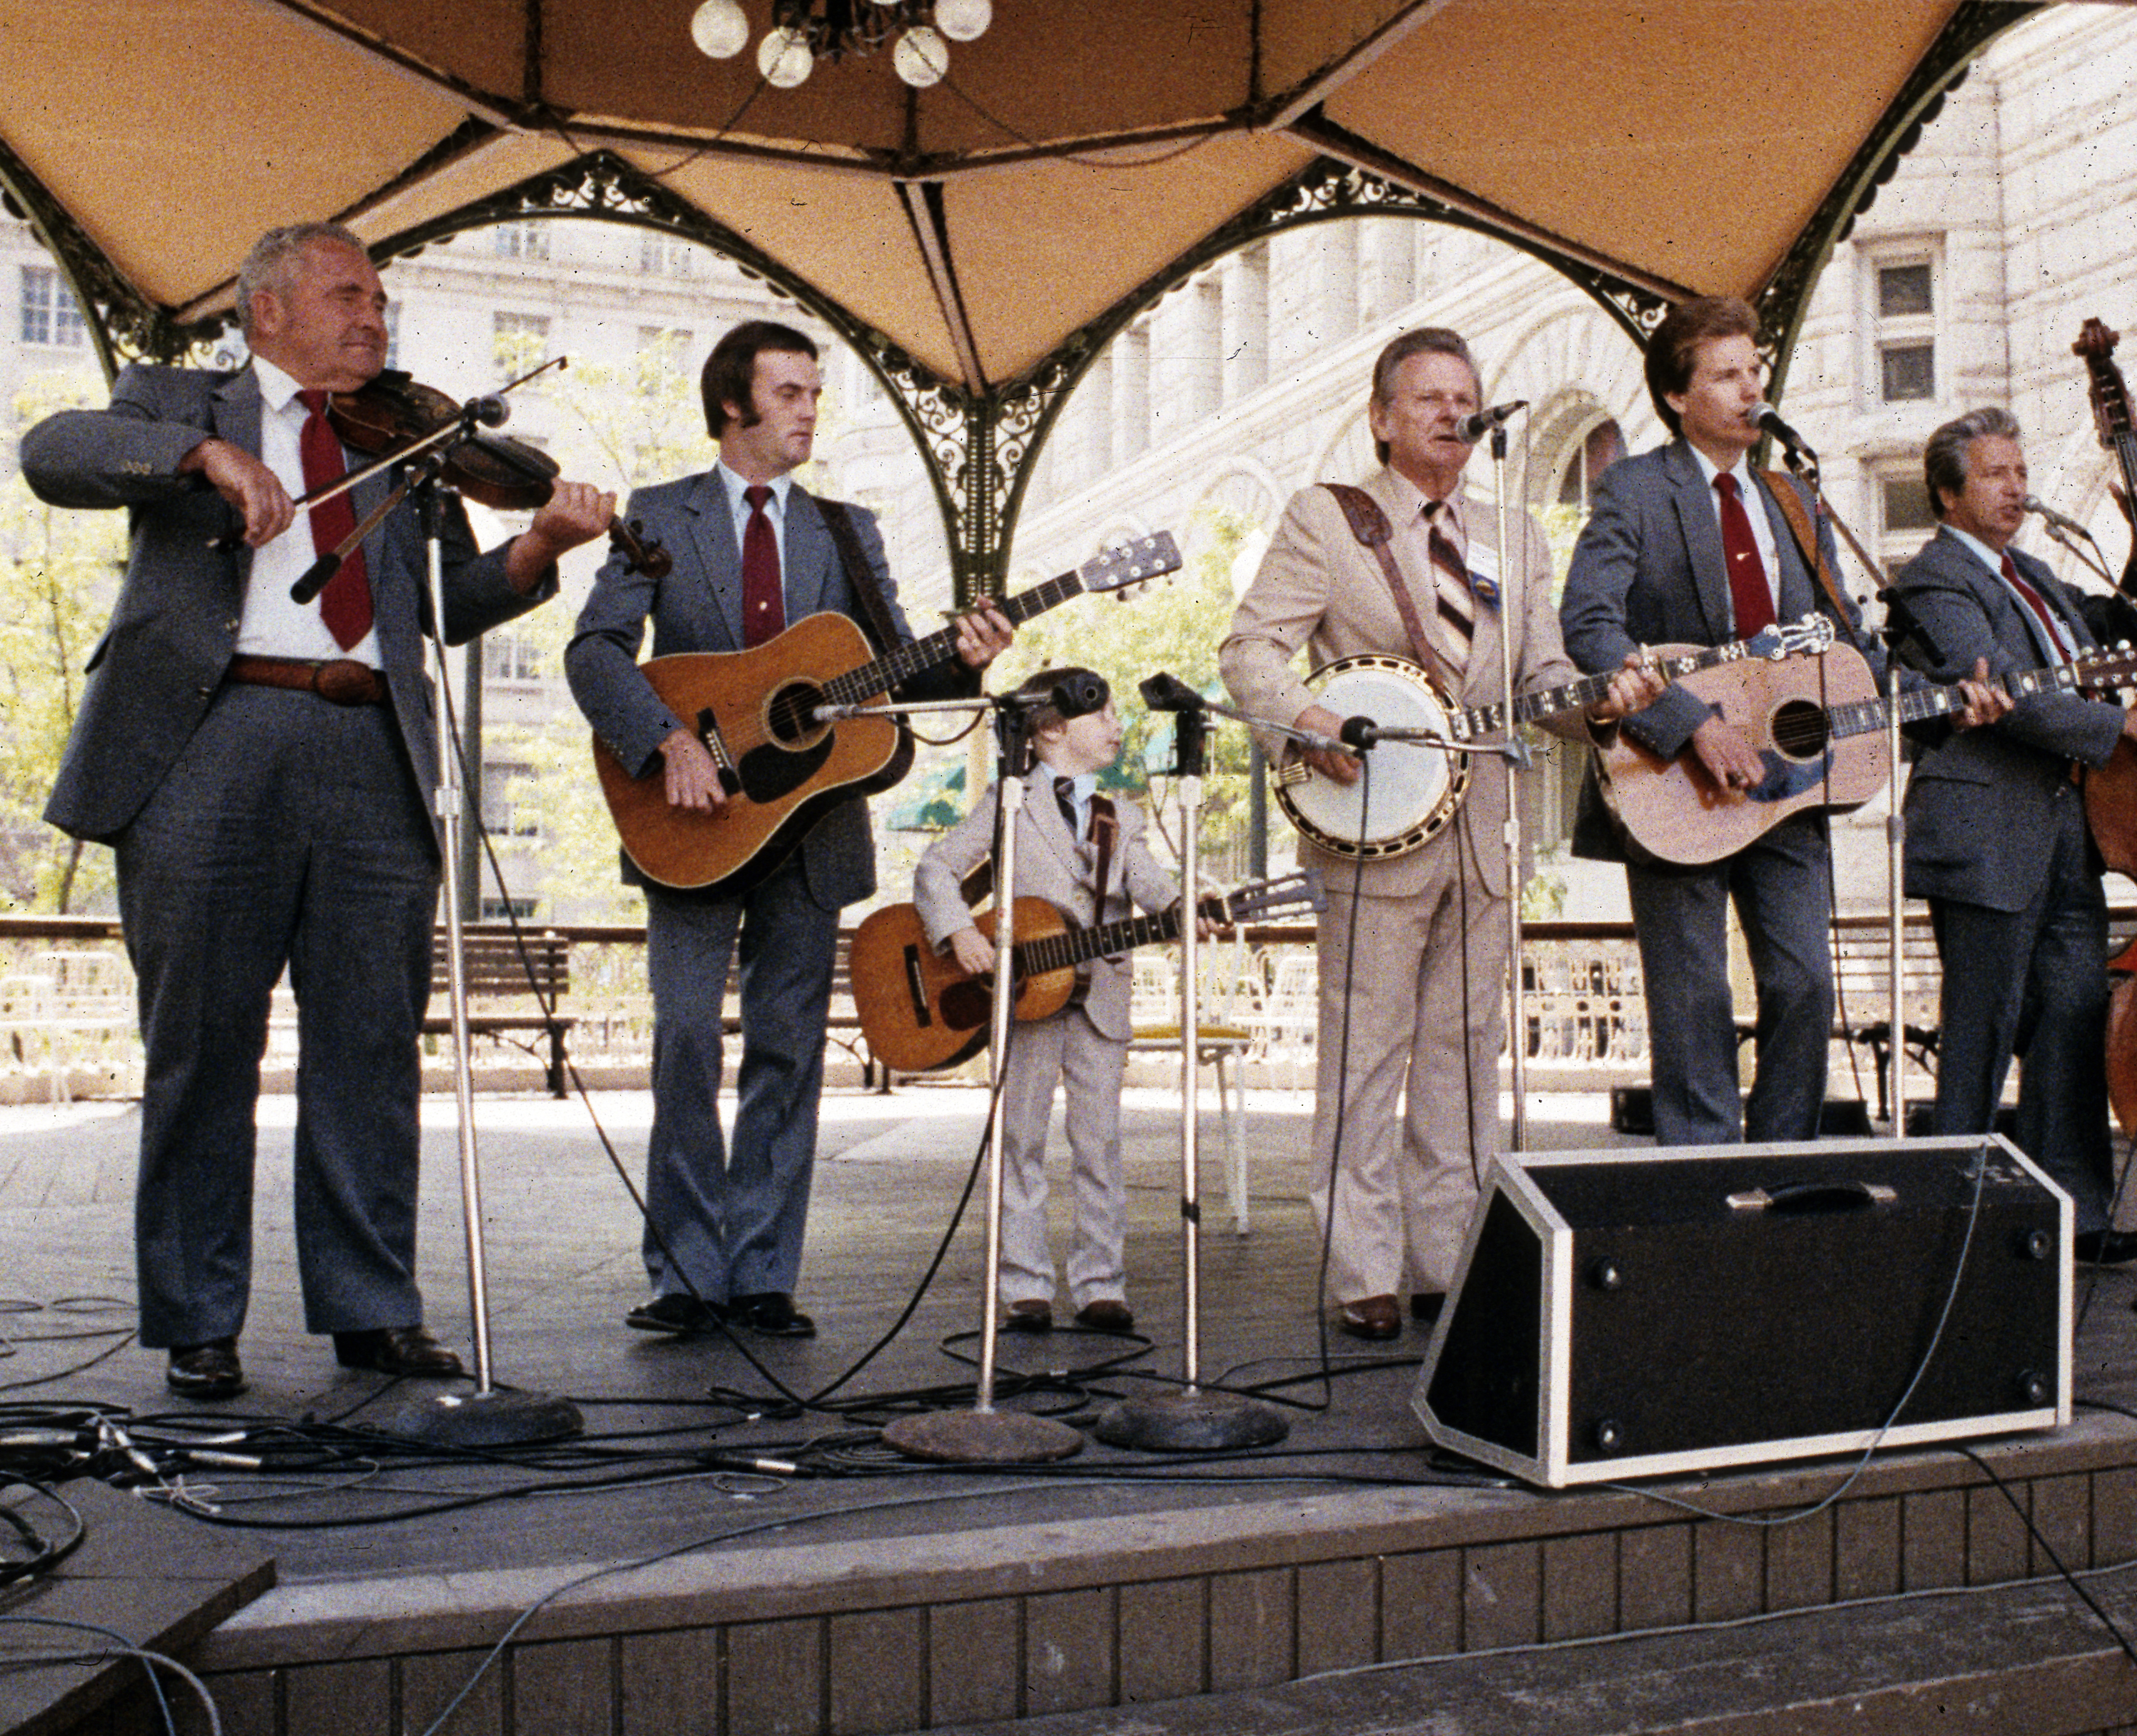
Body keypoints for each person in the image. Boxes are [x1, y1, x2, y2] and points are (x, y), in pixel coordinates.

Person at [20, 222, 616, 1400]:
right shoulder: (182, 398)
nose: (374, 321)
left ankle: (371, 1307)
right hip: (212, 740)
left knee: (371, 1045)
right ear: (268, 311)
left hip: (369, 746)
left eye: (382, 303)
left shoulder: (408, 443)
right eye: (348, 296)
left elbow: (441, 604)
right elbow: (54, 450)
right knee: (201, 1044)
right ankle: (197, 1316)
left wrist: (540, 544)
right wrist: (204, 458)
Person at [566, 320, 1012, 1341]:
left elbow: (898, 674)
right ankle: (684, 1271)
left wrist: (967, 660)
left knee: (788, 1048)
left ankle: (763, 1270)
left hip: (809, 834)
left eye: (815, 393)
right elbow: (594, 652)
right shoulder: (657, 513)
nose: (811, 409)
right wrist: (665, 741)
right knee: (684, 1037)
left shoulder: (847, 531)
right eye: (791, 393)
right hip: (689, 822)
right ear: (735, 405)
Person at [1222, 326, 1658, 1341]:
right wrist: (1311, 720)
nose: (1452, 413)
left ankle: (1445, 1257)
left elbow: (1543, 678)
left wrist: (1599, 703)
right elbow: (1248, 652)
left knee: (1464, 1052)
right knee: (1367, 1051)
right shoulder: (1327, 521)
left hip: (1482, 830)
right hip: (1370, 826)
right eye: (1427, 398)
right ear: (1381, 418)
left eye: (1465, 396)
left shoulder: (1516, 533)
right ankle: (1363, 1267)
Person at [1559, 295, 1889, 1147]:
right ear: (1678, 397)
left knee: (1806, 982)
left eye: (1756, 370)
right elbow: (1592, 628)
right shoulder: (1633, 488)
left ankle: (1782, 1163)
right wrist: (1691, 724)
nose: (1752, 389)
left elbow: (1839, 633)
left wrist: (1911, 689)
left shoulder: (1792, 498)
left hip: (1781, 786)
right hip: (1672, 781)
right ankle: (1702, 1182)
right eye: (1728, 375)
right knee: (1693, 996)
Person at [1890, 408, 2137, 1265]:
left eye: (2018, 472)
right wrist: (2120, 730)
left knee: (2073, 1013)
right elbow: (2004, 688)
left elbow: (2119, 628)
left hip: (2066, 829)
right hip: (1984, 828)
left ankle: (2075, 1218)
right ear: (1947, 493)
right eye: (1993, 475)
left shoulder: (2037, 575)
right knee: (1983, 1023)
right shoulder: (1934, 579)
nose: (2016, 488)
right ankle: (1958, 1221)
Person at [911, 671, 1180, 1333]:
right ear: (1050, 729)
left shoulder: (1125, 814)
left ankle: (1099, 1283)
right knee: (1021, 1140)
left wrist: (1181, 907)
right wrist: (960, 931)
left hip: (1100, 998)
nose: (1117, 728)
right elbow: (936, 868)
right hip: (1027, 997)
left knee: (1101, 1145)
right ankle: (1025, 1283)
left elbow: (1148, 883)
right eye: (1104, 717)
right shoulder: (1008, 801)